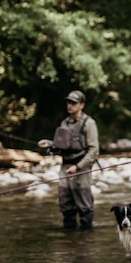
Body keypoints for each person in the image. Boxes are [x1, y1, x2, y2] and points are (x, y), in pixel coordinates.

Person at [38, 90, 99, 230]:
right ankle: (69, 242)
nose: (70, 105)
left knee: (84, 207)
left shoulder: (89, 123)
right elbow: (62, 146)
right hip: (65, 167)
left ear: (82, 105)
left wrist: (78, 167)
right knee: (66, 206)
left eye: (73, 103)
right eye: (68, 102)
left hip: (81, 169)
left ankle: (86, 241)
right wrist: (50, 144)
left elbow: (94, 151)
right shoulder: (64, 122)